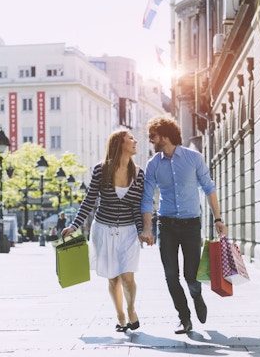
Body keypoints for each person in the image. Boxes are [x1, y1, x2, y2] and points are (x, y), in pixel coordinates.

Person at [140, 115, 227, 334]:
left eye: (153, 136)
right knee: (171, 275)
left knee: (191, 275)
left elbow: (208, 187)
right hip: (167, 225)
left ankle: (196, 295)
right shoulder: (153, 165)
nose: (150, 140)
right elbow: (147, 197)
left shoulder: (193, 158)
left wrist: (218, 219)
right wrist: (148, 228)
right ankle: (184, 317)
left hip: (190, 225)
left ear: (165, 136)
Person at [62, 129, 153, 333]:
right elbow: (89, 200)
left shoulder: (138, 173)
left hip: (128, 231)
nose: (135, 141)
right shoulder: (100, 170)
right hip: (103, 228)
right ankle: (120, 316)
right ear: (119, 144)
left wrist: (141, 231)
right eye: (130, 138)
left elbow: (136, 206)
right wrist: (74, 225)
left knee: (128, 277)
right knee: (113, 277)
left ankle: (131, 310)